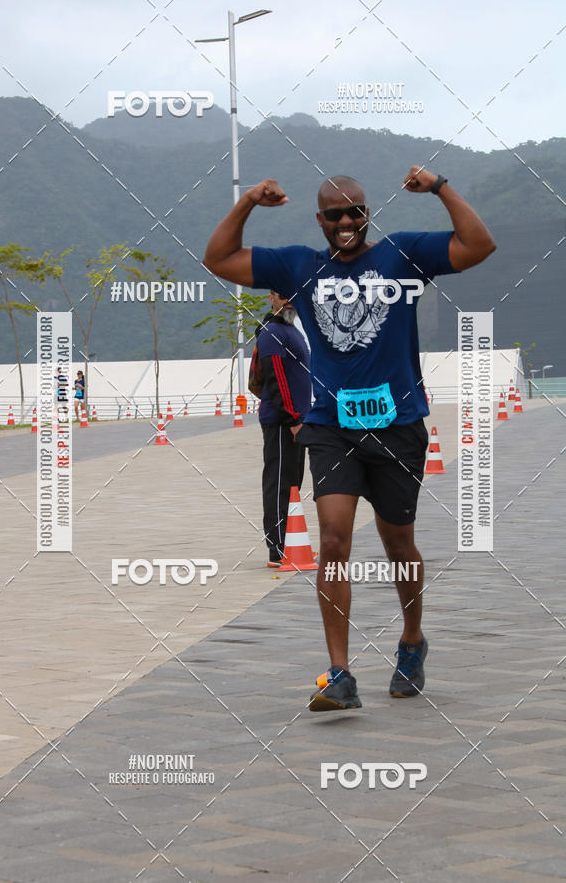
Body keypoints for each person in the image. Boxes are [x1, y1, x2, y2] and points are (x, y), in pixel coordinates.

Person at [203, 167, 495, 711]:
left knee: (398, 545)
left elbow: (479, 245)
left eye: (354, 212)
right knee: (334, 541)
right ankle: (340, 673)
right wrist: (248, 201)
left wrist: (440, 187)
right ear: (319, 219)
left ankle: (412, 640)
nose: (345, 221)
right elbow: (218, 259)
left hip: (398, 426)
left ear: (367, 215)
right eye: (334, 214)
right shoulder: (299, 265)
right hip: (332, 427)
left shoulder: (402, 255)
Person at [257, 290, 311, 568]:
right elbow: (276, 379)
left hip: (298, 420)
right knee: (279, 483)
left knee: (293, 484)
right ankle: (277, 549)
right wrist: (292, 420)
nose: (288, 299)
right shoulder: (272, 333)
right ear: (271, 298)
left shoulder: (292, 329)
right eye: (281, 294)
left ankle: (292, 543)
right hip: (282, 423)